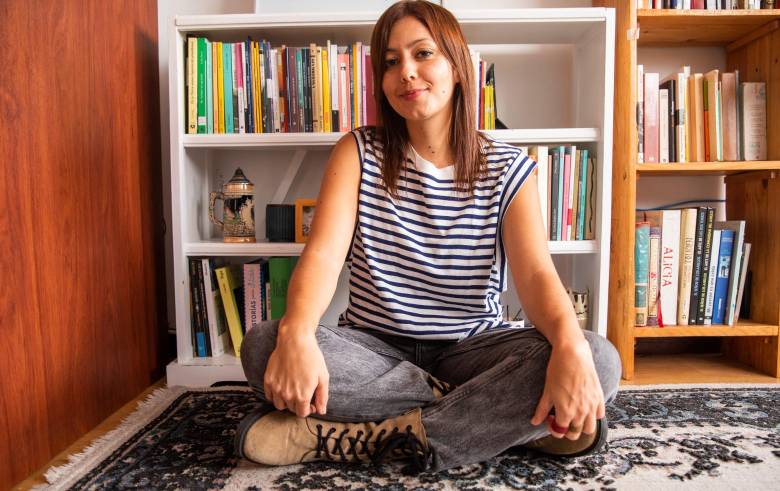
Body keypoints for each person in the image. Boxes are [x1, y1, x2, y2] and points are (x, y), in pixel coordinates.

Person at [235, 0, 621, 474]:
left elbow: (538, 274)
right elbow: (322, 258)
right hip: (374, 347)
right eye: (392, 62)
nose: (407, 73)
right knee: (263, 345)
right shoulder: (358, 153)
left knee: (599, 360)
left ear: (458, 67)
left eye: (423, 54)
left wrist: (571, 348)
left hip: (472, 350)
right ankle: (494, 422)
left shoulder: (510, 168)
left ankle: (366, 436)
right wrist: (296, 332)